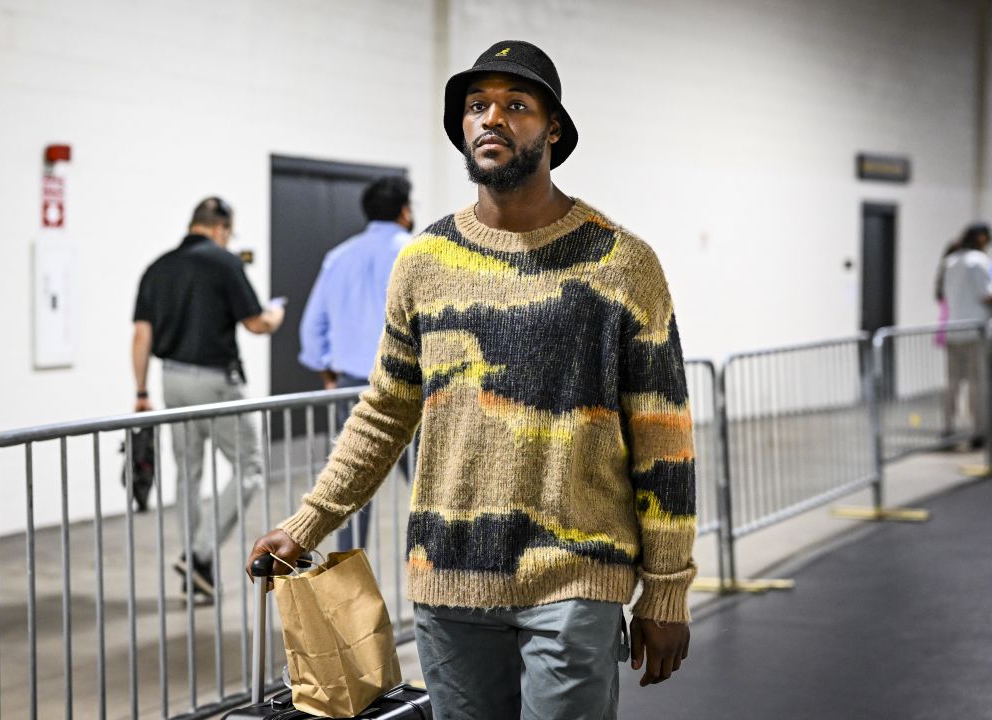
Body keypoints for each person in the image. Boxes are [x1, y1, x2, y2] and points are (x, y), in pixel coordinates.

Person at [250, 40, 695, 719]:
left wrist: (666, 590)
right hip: (448, 579)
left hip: (575, 576)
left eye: (516, 106)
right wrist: (308, 524)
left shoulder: (621, 262)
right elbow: (386, 410)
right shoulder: (424, 261)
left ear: (553, 130)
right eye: (477, 106)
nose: (492, 119)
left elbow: (663, 434)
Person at [132, 196, 285, 600]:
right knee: (250, 467)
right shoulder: (224, 262)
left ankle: (196, 574)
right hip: (215, 382)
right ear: (220, 228)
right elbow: (255, 323)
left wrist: (142, 392)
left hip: (171, 380)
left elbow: (141, 335)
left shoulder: (158, 268)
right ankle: (199, 554)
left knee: (188, 472)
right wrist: (275, 315)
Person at [298, 176, 416, 552]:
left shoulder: (339, 256)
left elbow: (311, 326)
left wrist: (326, 370)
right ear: (404, 210)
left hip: (352, 385)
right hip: (410, 390)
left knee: (348, 493)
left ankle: (351, 586)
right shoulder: (417, 253)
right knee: (429, 490)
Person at [940, 222, 992, 449]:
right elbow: (986, 295)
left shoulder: (950, 262)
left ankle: (947, 430)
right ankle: (979, 431)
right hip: (975, 332)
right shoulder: (978, 262)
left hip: (954, 331)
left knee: (952, 384)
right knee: (976, 384)